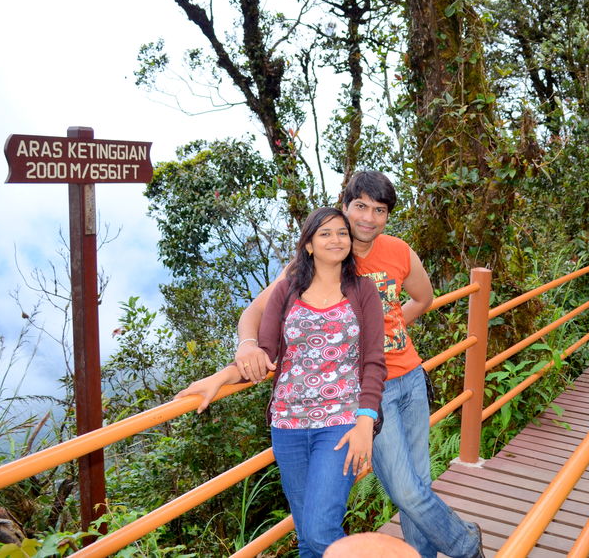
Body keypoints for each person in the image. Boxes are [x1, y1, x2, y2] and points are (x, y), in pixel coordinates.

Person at [235, 172, 485, 558]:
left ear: (387, 215)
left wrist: (390, 328)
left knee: (417, 487)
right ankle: (465, 544)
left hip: (411, 379)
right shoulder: (323, 257)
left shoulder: (399, 251)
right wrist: (247, 347)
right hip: (368, 392)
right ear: (346, 206)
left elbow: (423, 297)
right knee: (405, 490)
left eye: (380, 210)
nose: (369, 217)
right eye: (361, 206)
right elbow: (254, 313)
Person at [177, 207, 386, 558]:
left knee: (321, 531)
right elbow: (266, 353)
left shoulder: (363, 291)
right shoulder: (287, 291)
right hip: (287, 424)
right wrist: (223, 376)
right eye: (325, 233)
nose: (336, 239)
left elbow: (373, 363)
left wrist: (366, 419)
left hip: (341, 423)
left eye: (342, 233)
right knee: (307, 535)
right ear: (308, 245)